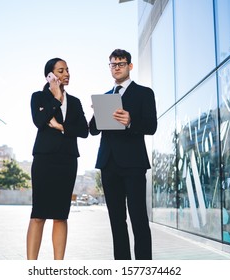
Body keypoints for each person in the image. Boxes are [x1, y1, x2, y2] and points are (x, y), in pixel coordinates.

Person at [89, 49, 157, 260]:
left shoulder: (144, 93)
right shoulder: (106, 97)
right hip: (108, 164)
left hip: (134, 164)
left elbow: (151, 126)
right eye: (113, 64)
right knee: (116, 221)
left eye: (121, 63)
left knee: (138, 219)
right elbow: (92, 130)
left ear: (130, 66)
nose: (116, 67)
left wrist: (130, 121)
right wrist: (96, 112)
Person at [26, 57, 89, 260]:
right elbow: (39, 121)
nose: (66, 74)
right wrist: (55, 98)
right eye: (61, 71)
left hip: (67, 161)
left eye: (67, 70)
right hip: (44, 160)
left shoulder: (76, 102)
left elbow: (84, 130)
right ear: (50, 75)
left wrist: (61, 127)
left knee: (61, 216)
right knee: (38, 215)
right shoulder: (38, 97)